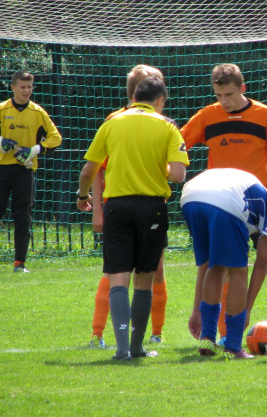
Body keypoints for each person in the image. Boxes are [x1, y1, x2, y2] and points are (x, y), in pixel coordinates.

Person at [180, 63, 267, 345]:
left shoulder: (264, 114)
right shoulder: (207, 116)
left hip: (262, 204)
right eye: (219, 95)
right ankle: (224, 334)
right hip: (224, 206)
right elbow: (178, 145)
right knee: (222, 268)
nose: (224, 101)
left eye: (229, 95)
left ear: (243, 89)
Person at [77, 76, 188, 360]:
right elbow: (178, 175)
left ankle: (122, 349)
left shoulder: (112, 122)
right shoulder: (167, 127)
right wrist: (156, 165)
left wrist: (83, 196)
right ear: (160, 101)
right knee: (144, 279)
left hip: (116, 207)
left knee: (118, 279)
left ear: (134, 96)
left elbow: (89, 170)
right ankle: (138, 347)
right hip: (151, 207)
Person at [89, 65, 170, 349]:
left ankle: (154, 333)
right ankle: (100, 334)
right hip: (129, 204)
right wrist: (98, 209)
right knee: (118, 273)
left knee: (149, 269)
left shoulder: (162, 122)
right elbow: (97, 169)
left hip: (138, 206)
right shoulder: (115, 121)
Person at [181, 168, 267, 359]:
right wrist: (246, 311)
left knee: (216, 266)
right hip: (223, 202)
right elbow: (262, 262)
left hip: (189, 197)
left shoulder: (249, 191)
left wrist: (197, 310)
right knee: (239, 270)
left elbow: (205, 265)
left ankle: (207, 340)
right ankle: (233, 347)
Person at [0, 71, 62, 273]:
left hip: (25, 170)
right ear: (12, 87)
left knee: (23, 215)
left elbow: (56, 138)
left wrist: (34, 151)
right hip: (0, 168)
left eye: (29, 87)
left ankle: (19, 264)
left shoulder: (38, 113)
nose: (26, 91)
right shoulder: (1, 109)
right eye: (22, 87)